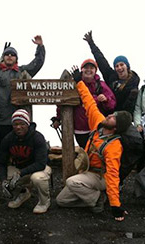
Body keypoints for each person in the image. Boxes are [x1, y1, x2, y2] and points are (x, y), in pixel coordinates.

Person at [56, 67, 132, 222]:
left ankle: (97, 198)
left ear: (116, 127)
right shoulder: (98, 123)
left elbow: (112, 175)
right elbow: (89, 101)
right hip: (88, 172)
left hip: (100, 176)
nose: (110, 115)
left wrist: (115, 206)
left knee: (71, 182)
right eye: (112, 114)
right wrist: (79, 82)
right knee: (61, 200)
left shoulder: (114, 146)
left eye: (114, 118)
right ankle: (95, 198)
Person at [0, 35, 46, 143]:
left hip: (19, 122)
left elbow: (37, 63)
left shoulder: (22, 71)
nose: (10, 56)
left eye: (13, 55)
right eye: (7, 54)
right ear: (3, 57)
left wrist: (40, 46)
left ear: (16, 58)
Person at [0, 109, 52, 214]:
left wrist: (20, 173)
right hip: (19, 169)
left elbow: (41, 163)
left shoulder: (37, 137)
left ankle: (44, 202)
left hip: (39, 168)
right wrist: (4, 180)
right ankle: (22, 193)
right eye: (15, 124)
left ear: (27, 124)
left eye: (22, 124)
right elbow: (1, 163)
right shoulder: (8, 139)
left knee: (38, 178)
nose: (18, 127)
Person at [52, 59, 116, 148]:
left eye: (92, 68)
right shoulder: (73, 84)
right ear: (82, 69)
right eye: (86, 67)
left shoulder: (100, 85)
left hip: (97, 128)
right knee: (86, 154)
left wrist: (106, 100)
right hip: (79, 130)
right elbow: (63, 102)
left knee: (96, 155)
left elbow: (112, 104)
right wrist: (58, 119)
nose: (88, 70)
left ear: (95, 71)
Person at [83, 31, 140, 115]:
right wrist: (91, 44)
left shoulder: (133, 83)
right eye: (116, 66)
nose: (119, 68)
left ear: (127, 66)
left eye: (121, 65)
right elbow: (101, 60)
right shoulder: (111, 76)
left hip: (124, 118)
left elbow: (132, 108)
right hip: (108, 115)